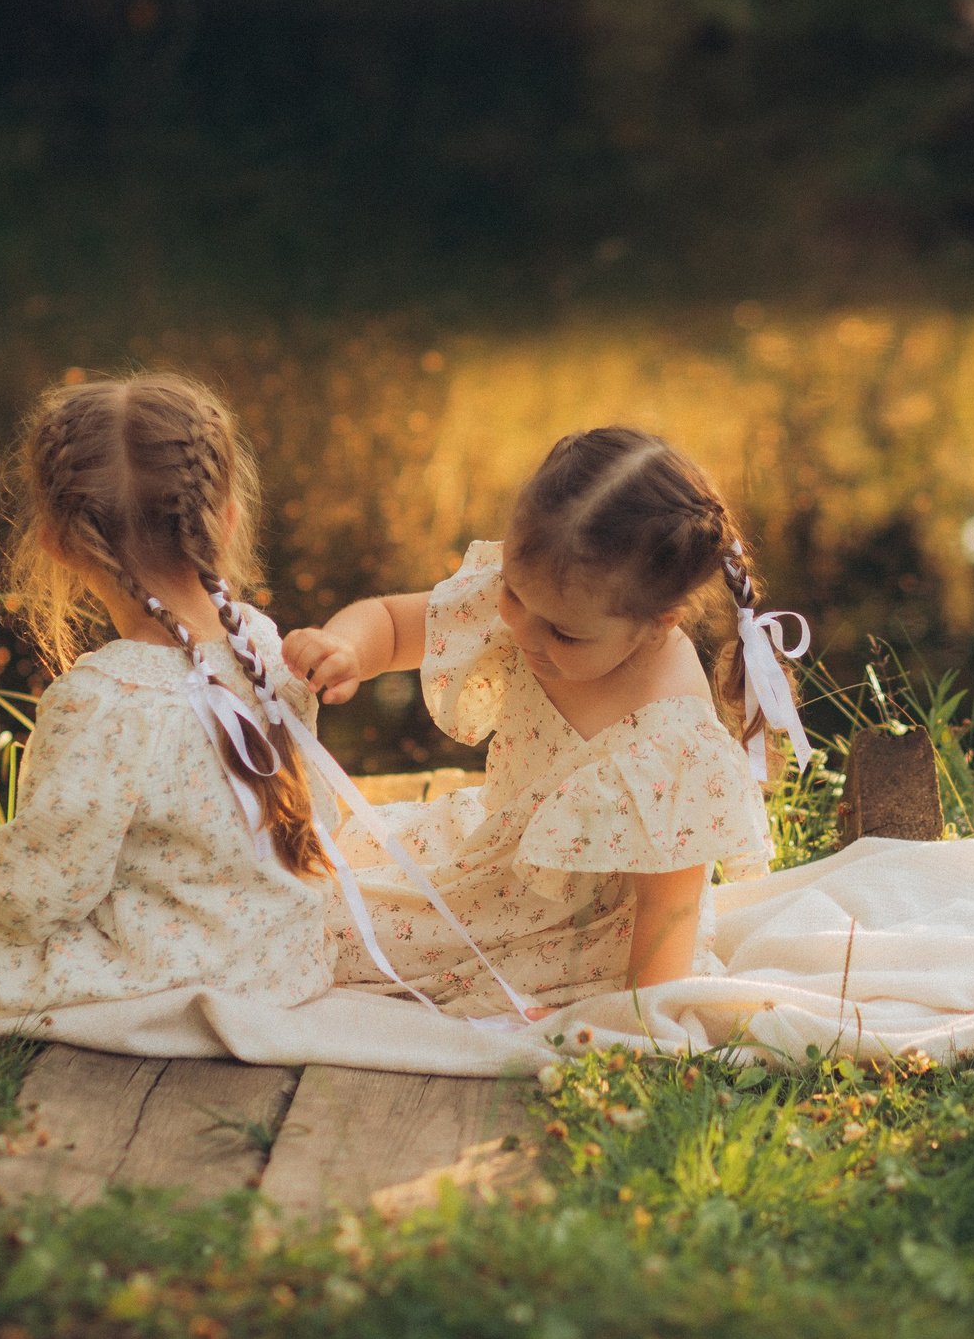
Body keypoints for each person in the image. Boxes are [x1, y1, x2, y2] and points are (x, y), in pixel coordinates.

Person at [0, 373, 333, 1020]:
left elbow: (41, 887)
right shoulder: (268, 650)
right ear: (229, 518)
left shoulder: (106, 699)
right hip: (283, 962)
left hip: (161, 973)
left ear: (60, 544)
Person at [283, 426, 799, 1017]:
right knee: (301, 872)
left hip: (582, 931)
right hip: (488, 853)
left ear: (660, 620)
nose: (523, 632)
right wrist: (345, 648)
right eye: (511, 596)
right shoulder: (543, 596)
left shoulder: (671, 743)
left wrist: (626, 1018)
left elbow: (668, 912)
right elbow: (394, 624)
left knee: (320, 932)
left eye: (564, 633)